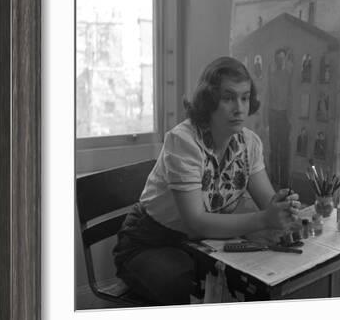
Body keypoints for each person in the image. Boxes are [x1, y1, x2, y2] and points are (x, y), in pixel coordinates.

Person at [113, 56, 301, 305]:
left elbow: (268, 202)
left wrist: (282, 207)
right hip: (149, 242)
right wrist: (264, 219)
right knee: (190, 287)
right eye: (228, 98)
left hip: (203, 244)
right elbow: (197, 222)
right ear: (209, 100)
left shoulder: (249, 143)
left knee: (249, 280)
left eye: (245, 97)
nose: (239, 108)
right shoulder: (183, 142)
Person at [266, 48, 292, 187]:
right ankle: (274, 181)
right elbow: (268, 97)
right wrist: (267, 120)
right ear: (275, 60)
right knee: (274, 150)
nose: (280, 61)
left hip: (284, 116)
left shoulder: (289, 76)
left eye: (282, 59)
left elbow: (291, 97)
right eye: (277, 59)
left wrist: (290, 118)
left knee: (284, 151)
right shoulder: (272, 76)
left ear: (285, 60)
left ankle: (284, 182)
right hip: (273, 114)